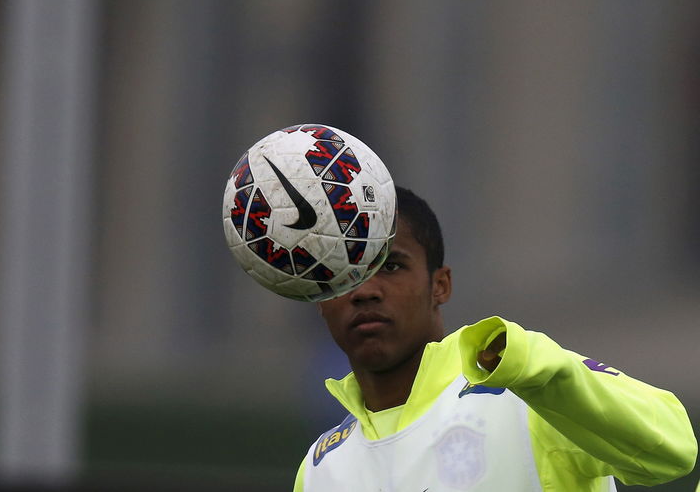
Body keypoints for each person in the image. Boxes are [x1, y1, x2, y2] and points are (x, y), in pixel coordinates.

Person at [293, 186, 697, 491]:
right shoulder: (318, 469)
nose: (365, 290)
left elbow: (674, 448)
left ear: (440, 285)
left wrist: (537, 369)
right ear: (321, 303)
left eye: (392, 265)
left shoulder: (527, 392)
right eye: (345, 275)